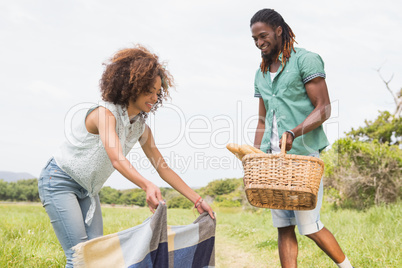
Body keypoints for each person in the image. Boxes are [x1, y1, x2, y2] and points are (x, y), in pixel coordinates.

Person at [37, 45, 214, 267]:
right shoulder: (105, 113)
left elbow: (163, 167)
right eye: (149, 90)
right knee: (80, 256)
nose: (154, 96)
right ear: (133, 85)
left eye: (158, 92)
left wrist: (197, 200)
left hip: (88, 191)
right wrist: (146, 185)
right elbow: (116, 158)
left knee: (97, 255)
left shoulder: (140, 127)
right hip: (59, 181)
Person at [250, 9, 353, 268]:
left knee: (310, 226)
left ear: (279, 30)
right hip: (273, 161)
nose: (260, 43)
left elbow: (324, 107)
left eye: (263, 36)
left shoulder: (306, 60)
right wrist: (254, 155)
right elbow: (262, 120)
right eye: (254, 39)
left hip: (303, 158)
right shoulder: (261, 73)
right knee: (283, 227)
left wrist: (294, 132)